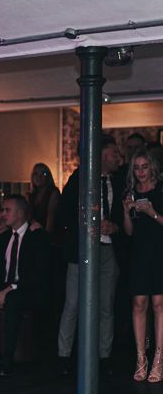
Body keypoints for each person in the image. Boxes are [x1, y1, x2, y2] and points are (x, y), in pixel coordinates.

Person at [57, 135, 123, 376]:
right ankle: (64, 357)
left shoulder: (118, 181)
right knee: (73, 303)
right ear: (103, 155)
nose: (119, 158)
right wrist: (89, 227)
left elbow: (121, 215)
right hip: (81, 251)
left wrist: (113, 227)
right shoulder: (78, 180)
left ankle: (104, 357)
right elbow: (64, 216)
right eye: (115, 153)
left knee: (106, 305)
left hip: (108, 250)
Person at [0, 195, 51, 375]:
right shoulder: (5, 237)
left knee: (13, 299)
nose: (4, 214)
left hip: (29, 289)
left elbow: (38, 274)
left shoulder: (37, 236)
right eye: (3, 210)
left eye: (8, 210)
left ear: (20, 213)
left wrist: (9, 289)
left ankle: (7, 359)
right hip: (8, 288)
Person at [122, 150, 163, 382]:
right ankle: (140, 358)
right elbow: (128, 231)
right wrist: (126, 211)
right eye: (136, 167)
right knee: (139, 303)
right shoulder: (130, 192)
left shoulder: (161, 189)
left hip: (159, 251)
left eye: (144, 166)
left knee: (159, 303)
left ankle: (159, 358)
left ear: (152, 167)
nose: (140, 172)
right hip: (138, 253)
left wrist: (152, 212)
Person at [27, 163, 61, 243]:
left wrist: (46, 238)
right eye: (36, 174)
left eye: (43, 173)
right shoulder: (30, 195)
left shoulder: (53, 193)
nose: (39, 177)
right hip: (33, 233)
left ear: (48, 177)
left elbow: (51, 217)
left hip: (48, 235)